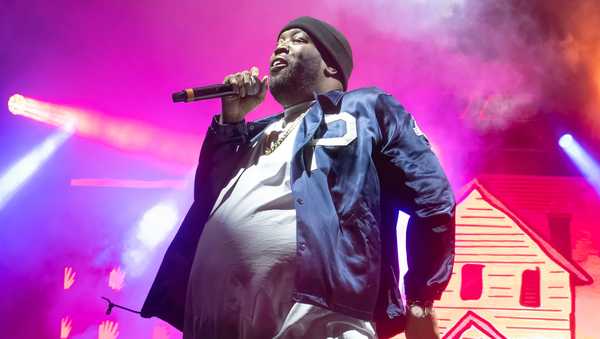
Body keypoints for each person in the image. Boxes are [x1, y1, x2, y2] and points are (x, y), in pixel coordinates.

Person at [141, 16, 455, 339]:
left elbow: (432, 196)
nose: (281, 44)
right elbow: (207, 199)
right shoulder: (253, 133)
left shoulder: (367, 108)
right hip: (210, 322)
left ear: (331, 67)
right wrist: (231, 120)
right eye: (279, 40)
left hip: (315, 320)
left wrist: (421, 300)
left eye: (297, 39)